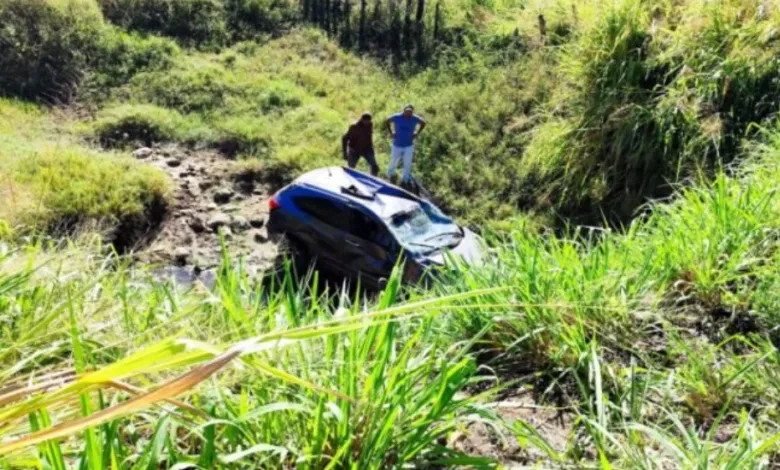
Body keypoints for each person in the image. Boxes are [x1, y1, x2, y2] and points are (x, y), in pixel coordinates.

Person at [385, 104, 426, 184]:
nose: (408, 114)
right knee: (394, 160)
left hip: (408, 145)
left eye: (410, 113)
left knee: (407, 162)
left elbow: (423, 123)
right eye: (407, 112)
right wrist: (391, 133)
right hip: (397, 144)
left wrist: (417, 133)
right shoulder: (397, 117)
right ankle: (390, 173)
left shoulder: (414, 118)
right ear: (403, 111)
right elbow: (387, 121)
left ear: (412, 113)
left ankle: (405, 178)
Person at [342, 112, 379, 176]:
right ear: (362, 119)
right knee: (351, 169)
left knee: (375, 167)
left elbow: (369, 137)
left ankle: (372, 180)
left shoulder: (370, 124)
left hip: (366, 149)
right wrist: (345, 152)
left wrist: (371, 148)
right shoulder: (354, 127)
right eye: (366, 121)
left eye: (369, 121)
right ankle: (349, 181)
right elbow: (344, 138)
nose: (367, 123)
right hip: (354, 150)